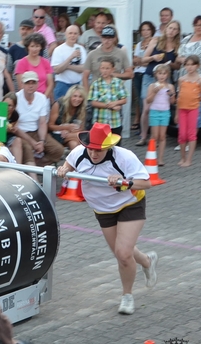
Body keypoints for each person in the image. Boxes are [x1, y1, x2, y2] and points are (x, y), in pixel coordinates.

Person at [57, 123, 158, 315]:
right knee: (122, 252)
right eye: (91, 149)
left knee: (123, 253)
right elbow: (69, 163)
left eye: (99, 150)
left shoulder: (124, 157)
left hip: (130, 204)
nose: (94, 153)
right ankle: (147, 261)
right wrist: (63, 169)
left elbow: (146, 183)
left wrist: (123, 182)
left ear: (109, 147)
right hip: (103, 210)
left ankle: (127, 296)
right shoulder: (78, 153)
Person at [138, 20, 181, 145]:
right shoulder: (155, 40)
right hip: (150, 76)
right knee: (147, 108)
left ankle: (156, 137)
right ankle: (143, 136)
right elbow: (143, 60)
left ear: (178, 32)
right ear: (166, 28)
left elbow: (178, 66)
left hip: (165, 79)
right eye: (170, 28)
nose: (171, 31)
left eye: (175, 29)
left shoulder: (177, 46)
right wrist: (153, 57)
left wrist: (171, 64)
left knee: (161, 107)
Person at [16, 71, 64, 167]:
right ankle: (30, 167)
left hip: (36, 132)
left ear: (37, 84)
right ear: (22, 84)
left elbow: (42, 123)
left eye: (33, 83)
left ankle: (37, 166)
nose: (30, 86)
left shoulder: (42, 98)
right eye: (27, 83)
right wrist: (33, 142)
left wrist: (41, 141)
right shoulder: (16, 98)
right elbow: (15, 127)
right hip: (21, 133)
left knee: (58, 150)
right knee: (28, 149)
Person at [175, 56, 201, 167]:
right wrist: (176, 114)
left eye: (192, 65)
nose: (190, 67)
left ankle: (189, 159)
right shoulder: (181, 79)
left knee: (191, 134)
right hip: (182, 109)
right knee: (182, 134)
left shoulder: (200, 80)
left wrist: (194, 99)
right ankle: (182, 157)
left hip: (193, 109)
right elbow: (179, 97)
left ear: (197, 66)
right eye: (187, 65)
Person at [88, 58, 127, 136]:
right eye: (102, 68)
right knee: (100, 143)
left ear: (113, 69)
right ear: (99, 69)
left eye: (107, 68)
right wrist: (110, 106)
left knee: (115, 142)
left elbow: (124, 99)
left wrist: (115, 103)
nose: (104, 71)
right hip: (100, 122)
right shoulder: (96, 84)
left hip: (115, 122)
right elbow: (93, 102)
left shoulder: (118, 83)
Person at [145, 64, 175, 166]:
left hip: (165, 112)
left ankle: (160, 159)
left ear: (167, 75)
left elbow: (172, 102)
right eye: (160, 73)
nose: (162, 76)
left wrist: (171, 95)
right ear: (156, 75)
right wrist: (154, 92)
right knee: (155, 136)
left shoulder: (170, 86)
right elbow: (148, 100)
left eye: (164, 73)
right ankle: (151, 156)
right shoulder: (152, 86)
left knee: (162, 136)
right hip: (154, 112)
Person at [131, 21, 155, 137]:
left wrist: (141, 61)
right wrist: (143, 61)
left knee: (147, 102)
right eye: (143, 30)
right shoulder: (139, 44)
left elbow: (149, 62)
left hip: (148, 75)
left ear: (152, 31)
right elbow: (134, 60)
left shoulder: (154, 43)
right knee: (139, 101)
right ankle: (142, 128)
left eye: (148, 29)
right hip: (137, 74)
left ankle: (149, 128)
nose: (145, 32)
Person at [51, 24, 86, 102]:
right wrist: (71, 57)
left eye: (75, 33)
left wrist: (66, 66)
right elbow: (57, 70)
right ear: (66, 34)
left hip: (77, 85)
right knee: (61, 108)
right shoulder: (58, 50)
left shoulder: (81, 49)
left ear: (78, 35)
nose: (73, 36)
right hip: (62, 85)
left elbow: (83, 68)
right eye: (70, 33)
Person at [15, 33, 54, 99]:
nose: (34, 49)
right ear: (28, 47)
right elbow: (21, 85)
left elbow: (50, 84)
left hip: (44, 97)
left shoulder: (46, 62)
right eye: (32, 46)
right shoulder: (21, 63)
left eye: (37, 46)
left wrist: (43, 98)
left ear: (41, 47)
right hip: (27, 98)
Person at [49, 85, 87, 150]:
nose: (77, 99)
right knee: (81, 136)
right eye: (75, 96)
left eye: (80, 97)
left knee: (74, 144)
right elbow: (50, 126)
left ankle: (75, 156)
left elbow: (81, 128)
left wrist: (69, 130)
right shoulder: (58, 104)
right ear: (70, 96)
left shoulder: (82, 108)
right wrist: (65, 127)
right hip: (56, 133)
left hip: (70, 134)